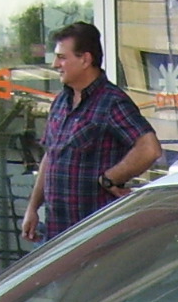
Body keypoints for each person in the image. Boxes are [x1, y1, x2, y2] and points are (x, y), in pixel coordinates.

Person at [20, 22, 160, 244]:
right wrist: (33, 207)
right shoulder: (61, 101)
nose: (55, 64)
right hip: (56, 232)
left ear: (85, 59)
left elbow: (149, 148)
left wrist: (110, 178)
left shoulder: (111, 102)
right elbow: (51, 156)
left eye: (62, 57)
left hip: (93, 235)